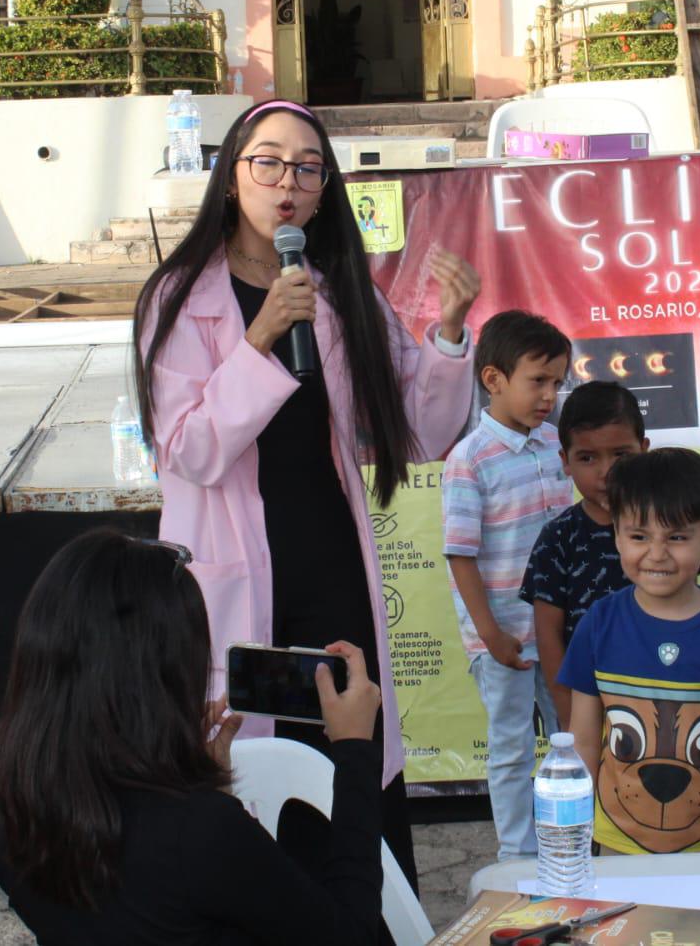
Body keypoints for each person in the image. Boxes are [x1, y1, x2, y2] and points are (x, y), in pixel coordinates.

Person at [131, 98, 479, 882]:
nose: (286, 182)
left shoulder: (336, 292)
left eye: (307, 167)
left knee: (344, 752)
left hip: (330, 572)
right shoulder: (180, 297)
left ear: (322, 193)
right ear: (230, 178)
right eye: (268, 162)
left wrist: (450, 332)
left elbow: (417, 423)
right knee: (253, 768)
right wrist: (256, 344)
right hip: (237, 579)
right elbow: (187, 449)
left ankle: (366, 914)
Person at [0, 529, 386, 945]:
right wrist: (354, 750)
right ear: (168, 672)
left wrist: (204, 787)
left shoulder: (19, 831)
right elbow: (350, 934)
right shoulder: (201, 833)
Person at [559, 449, 700, 855]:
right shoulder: (598, 623)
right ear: (617, 535)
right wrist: (577, 838)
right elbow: (585, 740)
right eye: (639, 536)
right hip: (618, 845)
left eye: (677, 537)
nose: (657, 553)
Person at [441, 309, 572, 860]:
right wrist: (490, 633)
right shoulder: (469, 460)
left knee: (572, 738)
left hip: (560, 632)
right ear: (493, 380)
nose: (549, 395)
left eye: (557, 382)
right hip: (504, 639)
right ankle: (517, 854)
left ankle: (574, 837)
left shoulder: (555, 444)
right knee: (513, 746)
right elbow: (461, 554)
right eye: (537, 381)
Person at [518, 381, 648, 730]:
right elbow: (549, 635)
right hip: (588, 705)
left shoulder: (666, 529)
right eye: (588, 457)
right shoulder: (558, 538)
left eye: (621, 455)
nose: (606, 472)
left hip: (665, 693)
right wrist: (567, 709)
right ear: (565, 462)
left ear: (644, 450)